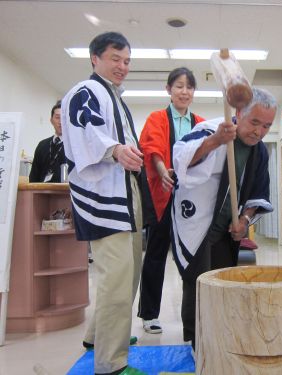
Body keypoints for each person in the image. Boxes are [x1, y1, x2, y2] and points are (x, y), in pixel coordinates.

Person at [61, 32, 154, 375]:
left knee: (127, 274)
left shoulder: (115, 97)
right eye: (116, 58)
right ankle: (110, 364)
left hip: (124, 195)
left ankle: (97, 336)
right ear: (94, 58)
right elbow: (86, 130)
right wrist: (114, 150)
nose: (122, 66)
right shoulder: (87, 91)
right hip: (103, 198)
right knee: (116, 278)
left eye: (127, 61)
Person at [171, 87, 277, 351]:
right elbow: (181, 158)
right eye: (254, 122)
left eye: (266, 126)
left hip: (225, 228)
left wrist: (244, 219)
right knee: (198, 281)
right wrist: (216, 141)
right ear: (239, 113)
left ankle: (220, 334)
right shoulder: (211, 130)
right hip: (196, 222)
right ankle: (199, 344)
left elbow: (257, 193)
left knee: (222, 280)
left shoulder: (260, 151)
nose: (259, 132)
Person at [137, 67, 205, 334]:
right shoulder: (156, 118)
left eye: (189, 87)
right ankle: (149, 314)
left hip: (191, 199)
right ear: (168, 90)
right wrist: (164, 172)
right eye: (179, 86)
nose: (184, 92)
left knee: (193, 256)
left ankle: (196, 315)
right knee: (155, 255)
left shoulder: (200, 122)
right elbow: (151, 149)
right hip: (162, 195)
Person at [29, 100, 66, 182]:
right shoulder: (42, 145)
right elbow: (34, 175)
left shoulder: (74, 146)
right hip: (41, 191)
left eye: (64, 118)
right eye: (57, 117)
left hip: (64, 192)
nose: (61, 122)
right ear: (51, 120)